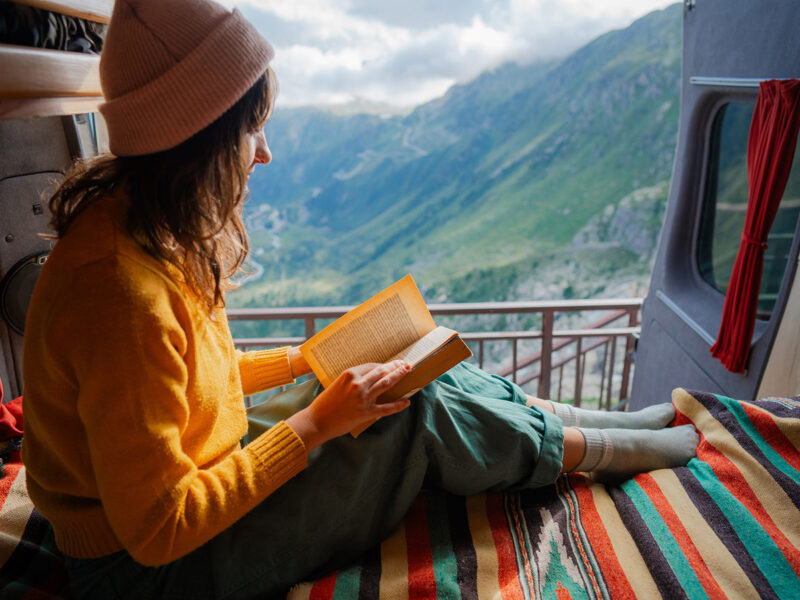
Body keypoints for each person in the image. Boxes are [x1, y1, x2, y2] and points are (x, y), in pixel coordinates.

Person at [21, 0, 699, 598]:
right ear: (201, 138)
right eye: (252, 127)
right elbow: (159, 529)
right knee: (412, 409)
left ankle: (582, 423)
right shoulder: (119, 293)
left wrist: (304, 362)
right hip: (147, 573)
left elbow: (190, 388)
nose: (264, 154)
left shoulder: (142, 228)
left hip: (203, 465)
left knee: (406, 361)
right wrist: (316, 423)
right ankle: (596, 451)